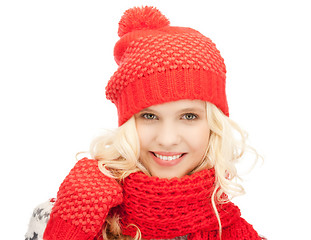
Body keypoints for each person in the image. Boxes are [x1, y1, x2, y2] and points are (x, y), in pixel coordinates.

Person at [25, 6, 265, 240]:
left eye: (189, 116)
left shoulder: (237, 234)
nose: (167, 139)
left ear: (214, 125)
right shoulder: (56, 217)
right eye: (149, 116)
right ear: (127, 124)